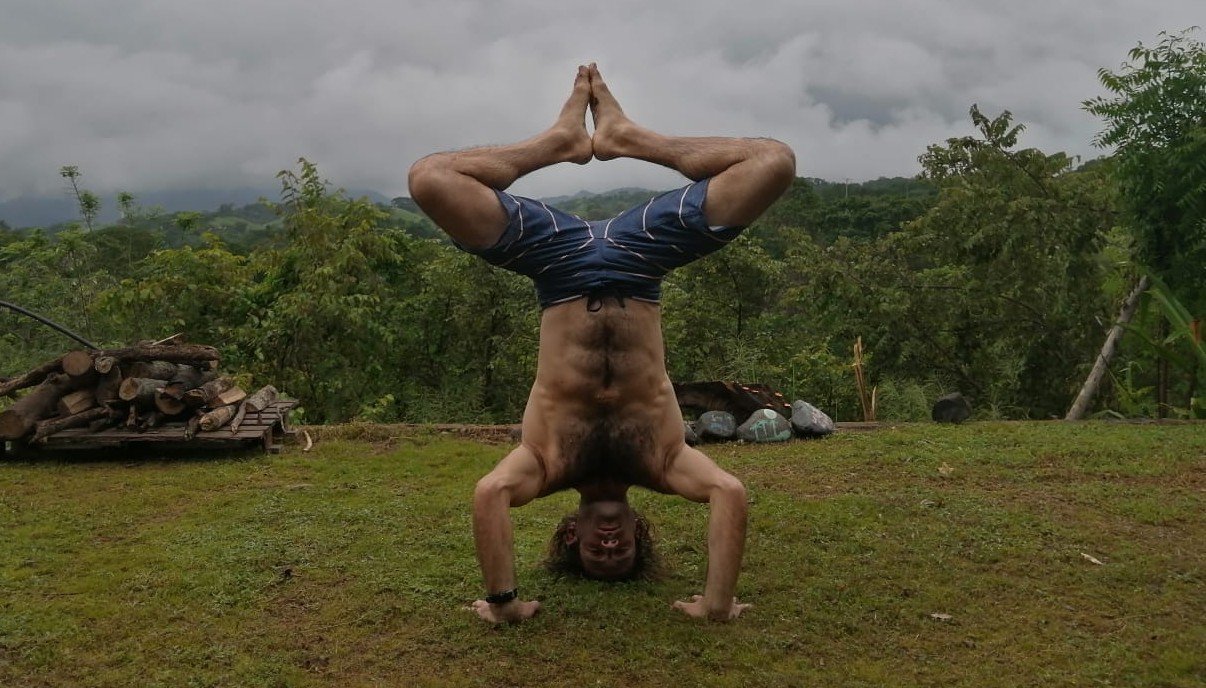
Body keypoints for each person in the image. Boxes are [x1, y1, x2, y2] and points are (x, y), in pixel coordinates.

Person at [407, 64, 795, 623]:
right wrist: (715, 605)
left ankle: (555, 143)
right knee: (774, 163)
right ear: (639, 531)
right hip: (641, 262)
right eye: (622, 551)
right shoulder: (663, 464)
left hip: (557, 266)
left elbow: (489, 493)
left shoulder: (546, 464)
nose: (609, 544)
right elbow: (729, 493)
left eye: (596, 552)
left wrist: (503, 605)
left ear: (571, 533)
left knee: (428, 178)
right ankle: (628, 138)